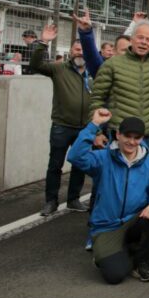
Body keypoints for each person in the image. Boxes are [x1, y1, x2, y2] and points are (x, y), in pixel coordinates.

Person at [67, 110, 149, 284]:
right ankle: (118, 251)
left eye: (137, 138)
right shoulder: (103, 158)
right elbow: (75, 157)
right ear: (118, 135)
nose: (131, 141)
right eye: (127, 136)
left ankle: (141, 261)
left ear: (142, 139)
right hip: (107, 225)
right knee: (115, 275)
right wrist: (94, 125)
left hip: (134, 220)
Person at [89, 19, 149, 156]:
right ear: (132, 39)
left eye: (148, 39)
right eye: (140, 37)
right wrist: (95, 132)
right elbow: (97, 99)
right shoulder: (112, 64)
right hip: (120, 136)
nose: (144, 42)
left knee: (145, 177)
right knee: (116, 176)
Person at [30, 22, 93, 216]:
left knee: (79, 166)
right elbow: (35, 65)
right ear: (70, 51)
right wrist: (43, 43)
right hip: (61, 126)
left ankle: (73, 199)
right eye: (76, 49)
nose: (79, 52)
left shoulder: (95, 71)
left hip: (84, 128)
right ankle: (51, 201)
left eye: (83, 49)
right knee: (55, 165)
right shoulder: (59, 69)